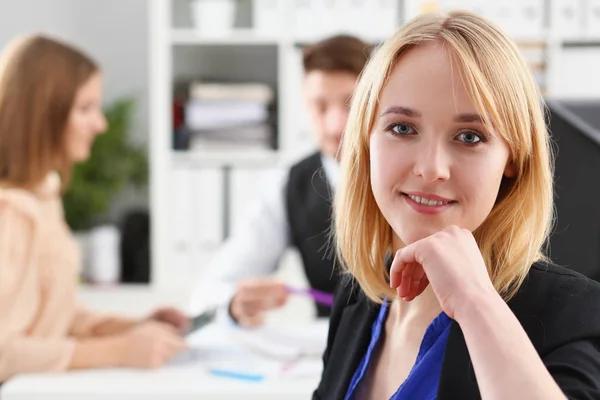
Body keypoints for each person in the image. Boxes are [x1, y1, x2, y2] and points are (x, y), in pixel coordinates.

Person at [313, 11, 600, 400]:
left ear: (512, 158)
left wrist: (477, 304)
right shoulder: (357, 297)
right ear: (366, 140)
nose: (431, 169)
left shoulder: (568, 312)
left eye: (469, 136)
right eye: (402, 128)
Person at [0, 34, 190, 383]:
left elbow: (52, 318)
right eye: (85, 109)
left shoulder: (43, 193)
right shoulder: (10, 215)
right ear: (44, 115)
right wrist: (117, 351)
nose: (100, 124)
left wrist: (134, 327)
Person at [189, 35, 372, 326]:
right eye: (320, 106)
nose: (335, 124)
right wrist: (234, 302)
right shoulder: (288, 185)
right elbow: (211, 291)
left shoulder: (415, 176)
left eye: (350, 105)